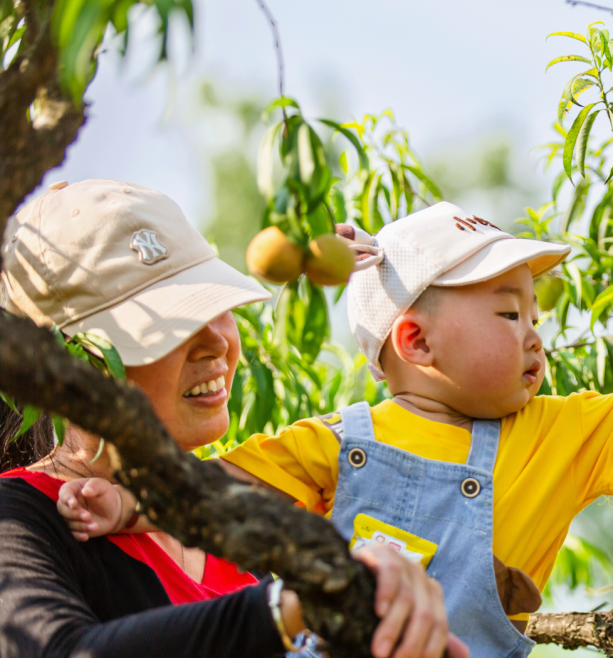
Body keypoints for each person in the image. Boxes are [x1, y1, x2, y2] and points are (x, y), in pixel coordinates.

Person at [65, 201, 613, 657]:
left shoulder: (549, 433)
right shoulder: (334, 441)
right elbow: (214, 492)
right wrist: (131, 504)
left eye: (535, 315)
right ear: (416, 343)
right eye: (509, 315)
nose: (536, 336)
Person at [0, 179, 465, 658]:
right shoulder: (20, 518)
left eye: (216, 305)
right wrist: (284, 608)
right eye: (170, 325)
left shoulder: (237, 522)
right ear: (71, 365)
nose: (219, 342)